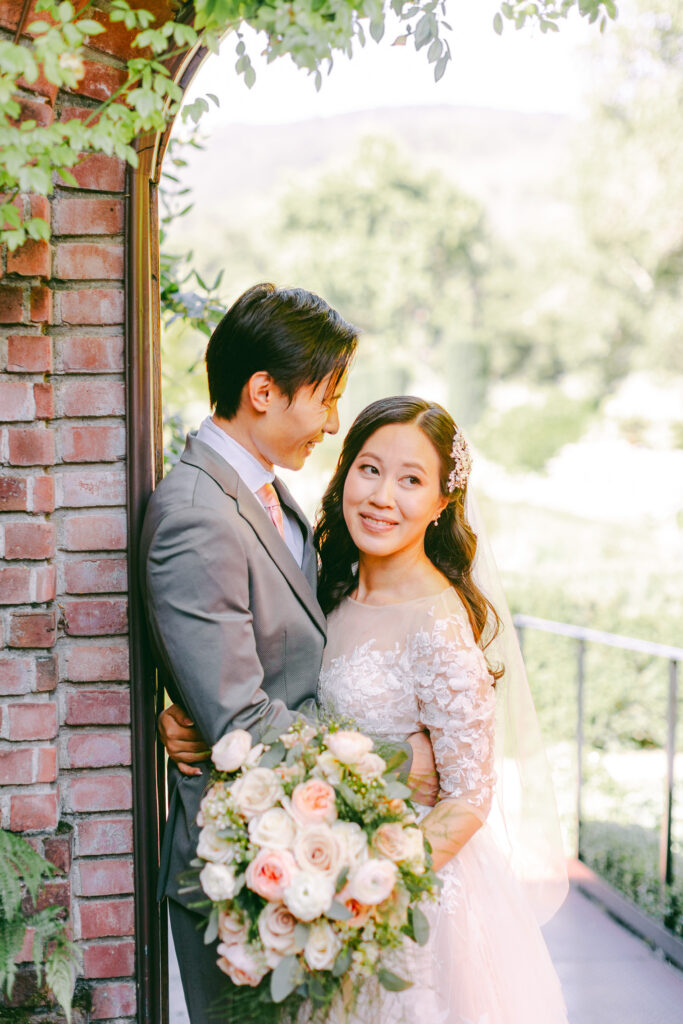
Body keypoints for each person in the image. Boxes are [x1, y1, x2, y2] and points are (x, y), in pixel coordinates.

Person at [166, 393, 570, 1023]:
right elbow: (263, 688)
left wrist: (363, 889)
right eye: (370, 469)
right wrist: (187, 714)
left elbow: (467, 797)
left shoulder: (438, 623)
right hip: (313, 884)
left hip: (400, 910)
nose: (383, 496)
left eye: (412, 480)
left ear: (441, 504)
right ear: (345, 472)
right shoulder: (323, 585)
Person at [141, 285, 438, 1024]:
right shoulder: (195, 515)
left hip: (307, 853)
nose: (332, 423)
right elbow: (238, 718)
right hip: (243, 872)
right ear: (263, 392)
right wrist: (398, 758)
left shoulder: (263, 493)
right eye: (325, 399)